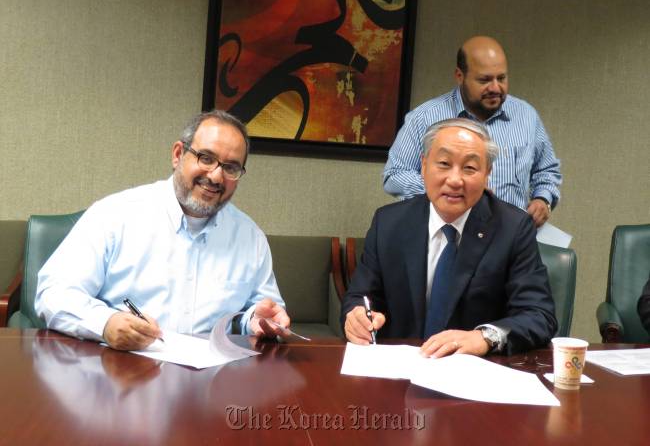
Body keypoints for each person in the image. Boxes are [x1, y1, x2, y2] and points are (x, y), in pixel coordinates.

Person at [35, 110, 289, 350]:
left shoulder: (250, 237)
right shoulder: (114, 214)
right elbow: (54, 293)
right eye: (206, 158)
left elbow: (262, 310)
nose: (216, 176)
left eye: (231, 167)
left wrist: (256, 321)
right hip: (122, 374)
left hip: (213, 382)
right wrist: (105, 323)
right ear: (178, 154)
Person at [343, 118, 557, 357]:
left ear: (487, 173)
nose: (455, 180)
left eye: (470, 168)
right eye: (444, 163)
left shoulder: (513, 228)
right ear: (424, 166)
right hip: (400, 370)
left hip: (474, 374)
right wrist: (358, 317)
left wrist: (484, 337)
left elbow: (539, 316)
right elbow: (360, 296)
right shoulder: (389, 223)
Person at [383, 36, 561, 227]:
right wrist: (450, 193)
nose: (495, 87)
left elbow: (547, 170)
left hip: (509, 241)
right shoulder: (424, 118)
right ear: (460, 76)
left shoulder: (526, 116)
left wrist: (543, 199)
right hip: (445, 238)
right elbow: (395, 174)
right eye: (484, 79)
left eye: (501, 78)